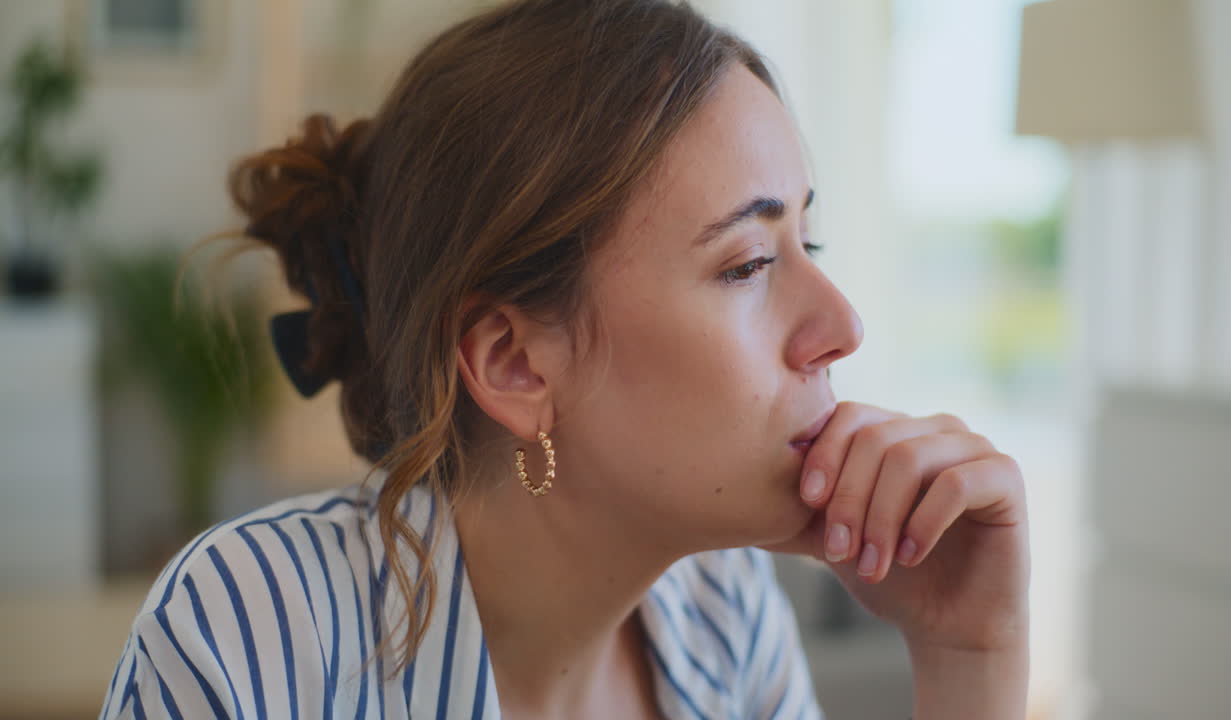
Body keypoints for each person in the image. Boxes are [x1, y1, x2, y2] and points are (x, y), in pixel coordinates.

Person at [99, 0, 1030, 717]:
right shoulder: (252, 633)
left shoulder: (727, 619)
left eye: (807, 249)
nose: (842, 324)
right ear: (513, 365)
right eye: (747, 264)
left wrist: (969, 655)